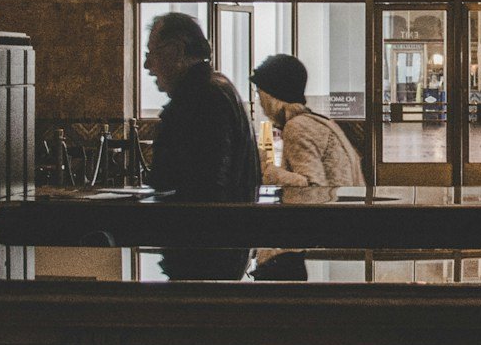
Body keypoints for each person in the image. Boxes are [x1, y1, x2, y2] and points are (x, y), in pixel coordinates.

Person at [143, 12, 257, 202]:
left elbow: (206, 185)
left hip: (201, 228)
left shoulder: (201, 98)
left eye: (152, 53)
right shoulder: (216, 88)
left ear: (177, 50)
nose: (147, 65)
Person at [249, 53, 365, 196]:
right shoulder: (318, 122)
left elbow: (312, 188)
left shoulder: (298, 127)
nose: (259, 101)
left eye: (259, 93)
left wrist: (268, 172)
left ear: (271, 97)